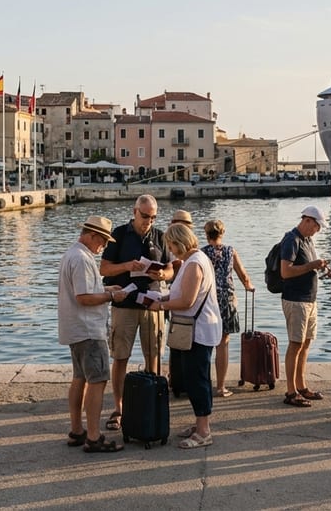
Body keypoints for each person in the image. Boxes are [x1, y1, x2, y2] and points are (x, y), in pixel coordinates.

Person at [98, 194, 173, 432]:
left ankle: (151, 404)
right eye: (144, 217)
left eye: (152, 218)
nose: (148, 222)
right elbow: (104, 269)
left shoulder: (160, 236)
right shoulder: (118, 235)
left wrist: (163, 275)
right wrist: (127, 266)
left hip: (153, 304)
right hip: (124, 305)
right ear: (134, 212)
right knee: (121, 357)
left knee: (154, 356)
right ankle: (119, 409)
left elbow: (172, 267)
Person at [58, 216, 128, 453]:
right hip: (89, 330)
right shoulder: (82, 259)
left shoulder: (72, 254)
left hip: (75, 329)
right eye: (103, 241)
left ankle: (77, 430)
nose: (105, 246)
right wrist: (111, 296)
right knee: (97, 381)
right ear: (92, 235)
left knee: (80, 379)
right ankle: (94, 436)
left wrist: (106, 288)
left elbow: (85, 290)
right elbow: (84, 297)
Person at [148, 223, 220, 448]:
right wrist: (164, 297)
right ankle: (200, 423)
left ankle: (203, 431)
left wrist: (160, 305)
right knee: (196, 377)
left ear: (178, 243)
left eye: (170, 245)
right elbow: (184, 295)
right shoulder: (196, 260)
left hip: (197, 330)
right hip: (197, 328)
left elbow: (187, 301)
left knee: (197, 379)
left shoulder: (193, 264)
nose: (170, 249)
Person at [278, 205, 330, 407]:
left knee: (305, 343)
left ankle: (301, 385)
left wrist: (319, 266)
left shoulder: (307, 240)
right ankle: (291, 391)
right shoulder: (292, 239)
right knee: (295, 344)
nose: (317, 230)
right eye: (316, 226)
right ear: (307, 220)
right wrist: (312, 266)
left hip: (309, 299)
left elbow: (307, 266)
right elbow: (285, 272)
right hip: (296, 299)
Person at [200, 219, 254, 397]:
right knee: (223, 343)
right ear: (222, 233)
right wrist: (249, 287)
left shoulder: (202, 253)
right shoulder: (231, 251)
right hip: (227, 301)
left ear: (206, 234)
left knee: (205, 343)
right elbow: (243, 276)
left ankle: (204, 384)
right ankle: (221, 387)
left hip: (208, 300)